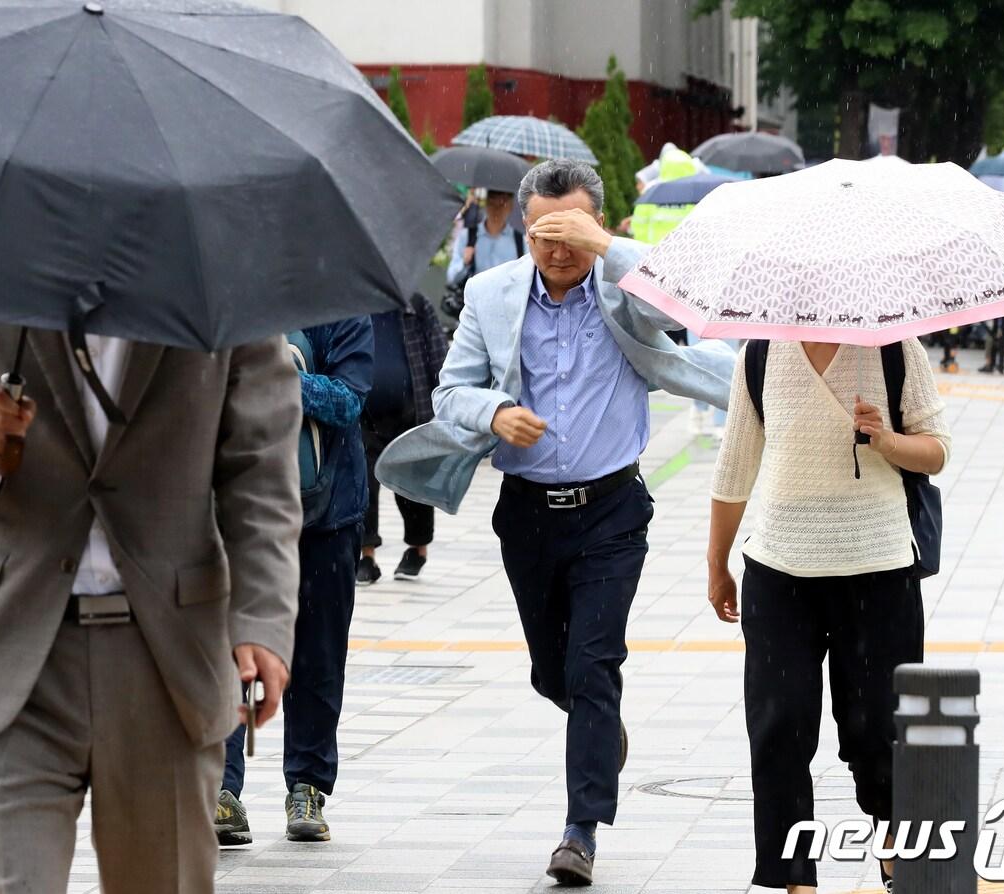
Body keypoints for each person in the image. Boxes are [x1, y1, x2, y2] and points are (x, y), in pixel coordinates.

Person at [376, 159, 734, 886]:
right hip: (529, 515)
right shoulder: (491, 293)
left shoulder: (624, 286)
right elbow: (452, 393)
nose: (556, 248)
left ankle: (580, 831)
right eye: (543, 233)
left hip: (612, 511)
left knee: (594, 665)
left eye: (572, 232)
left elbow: (683, 306)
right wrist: (494, 412)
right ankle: (598, 733)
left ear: (599, 226)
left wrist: (607, 251)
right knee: (553, 672)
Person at [0, 305, 303, 893]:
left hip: (167, 665)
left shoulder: (219, 278)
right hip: (9, 662)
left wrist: (263, 619)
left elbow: (260, 470)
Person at [707, 339, 950, 894]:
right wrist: (716, 561)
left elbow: (938, 450)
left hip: (880, 569)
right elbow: (736, 463)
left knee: (877, 729)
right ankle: (795, 881)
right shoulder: (761, 351)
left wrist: (887, 440)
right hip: (778, 567)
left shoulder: (895, 347)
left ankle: (894, 840)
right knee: (778, 729)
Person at [218, 317, 373, 846]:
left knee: (319, 655)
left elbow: (350, 401)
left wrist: (272, 373)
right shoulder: (226, 297)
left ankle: (307, 786)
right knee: (226, 647)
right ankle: (220, 788)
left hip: (328, 515)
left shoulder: (345, 307)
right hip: (233, 510)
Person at [357, 292, 447, 585]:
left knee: (412, 486)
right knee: (362, 488)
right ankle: (365, 554)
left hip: (412, 412)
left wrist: (442, 408)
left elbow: (439, 358)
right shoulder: (354, 305)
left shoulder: (416, 306)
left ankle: (417, 549)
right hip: (364, 416)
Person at [445, 189, 524, 285]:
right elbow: (451, 277)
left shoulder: (520, 241)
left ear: (510, 206)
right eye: (492, 202)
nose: (497, 208)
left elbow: (526, 279)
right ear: (486, 203)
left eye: (502, 203)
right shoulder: (468, 236)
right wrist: (464, 263)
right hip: (474, 297)